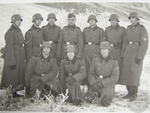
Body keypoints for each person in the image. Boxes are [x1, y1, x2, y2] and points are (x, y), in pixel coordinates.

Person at [121, 12, 148, 101]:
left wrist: (140, 56)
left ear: (137, 19)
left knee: (135, 72)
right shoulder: (128, 28)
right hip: (128, 52)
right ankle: (129, 92)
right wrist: (123, 54)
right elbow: (125, 42)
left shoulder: (142, 29)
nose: (131, 19)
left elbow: (144, 44)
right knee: (127, 71)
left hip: (136, 53)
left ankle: (134, 93)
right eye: (130, 18)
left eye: (133, 18)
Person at [1, 14, 25, 97]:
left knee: (17, 75)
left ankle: (15, 91)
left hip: (19, 56)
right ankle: (10, 92)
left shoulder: (18, 30)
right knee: (12, 75)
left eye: (20, 21)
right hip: (14, 56)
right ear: (13, 21)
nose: (19, 22)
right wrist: (11, 61)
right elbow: (9, 48)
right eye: (17, 20)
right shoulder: (10, 32)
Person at [88, 41, 119, 106]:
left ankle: (106, 93)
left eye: (105, 49)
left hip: (107, 83)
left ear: (109, 50)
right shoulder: (95, 60)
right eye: (102, 49)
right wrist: (93, 83)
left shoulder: (114, 61)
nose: (103, 52)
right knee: (88, 99)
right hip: (96, 81)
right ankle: (97, 94)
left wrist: (102, 84)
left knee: (104, 101)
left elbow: (115, 77)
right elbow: (91, 74)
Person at [83, 14, 105, 86]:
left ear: (95, 21)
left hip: (95, 51)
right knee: (86, 67)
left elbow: (102, 44)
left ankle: (94, 85)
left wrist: (100, 54)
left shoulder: (100, 31)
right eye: (90, 20)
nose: (91, 22)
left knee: (94, 68)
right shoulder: (85, 30)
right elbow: (82, 41)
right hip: (86, 51)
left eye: (93, 20)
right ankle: (87, 84)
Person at [105, 14, 125, 84]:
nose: (113, 21)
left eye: (114, 20)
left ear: (117, 21)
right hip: (110, 51)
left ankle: (117, 83)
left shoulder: (122, 30)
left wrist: (123, 53)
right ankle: (110, 86)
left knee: (117, 68)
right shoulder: (107, 29)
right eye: (111, 20)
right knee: (109, 68)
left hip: (118, 51)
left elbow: (124, 42)